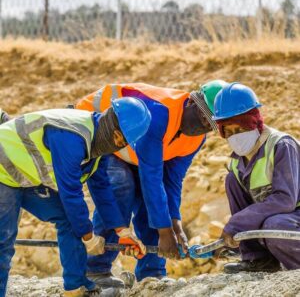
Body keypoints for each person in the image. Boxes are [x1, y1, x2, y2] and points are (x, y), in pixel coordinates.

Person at [75, 81, 228, 285]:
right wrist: (164, 232)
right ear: (191, 101)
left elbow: (171, 181)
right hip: (103, 132)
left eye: (210, 125)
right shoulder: (159, 114)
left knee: (156, 205)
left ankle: (152, 274)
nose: (203, 126)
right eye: (202, 117)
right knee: (122, 187)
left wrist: (175, 224)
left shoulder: (196, 139)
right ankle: (95, 270)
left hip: (133, 151)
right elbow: (151, 176)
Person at [0, 98, 151, 297]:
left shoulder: (97, 144)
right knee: (4, 240)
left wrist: (122, 231)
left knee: (70, 221)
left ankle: (75, 288)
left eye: (122, 144)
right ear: (111, 124)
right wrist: (88, 237)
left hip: (23, 176)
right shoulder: (71, 136)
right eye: (118, 139)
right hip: (3, 169)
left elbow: (102, 187)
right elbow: (70, 192)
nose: (117, 145)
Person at [212, 82, 300, 273]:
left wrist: (236, 223)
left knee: (274, 225)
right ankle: (258, 260)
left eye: (240, 129)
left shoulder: (281, 145)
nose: (235, 136)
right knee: (232, 181)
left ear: (254, 123)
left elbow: (285, 200)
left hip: (294, 215)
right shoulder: (236, 163)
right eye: (229, 131)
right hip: (284, 217)